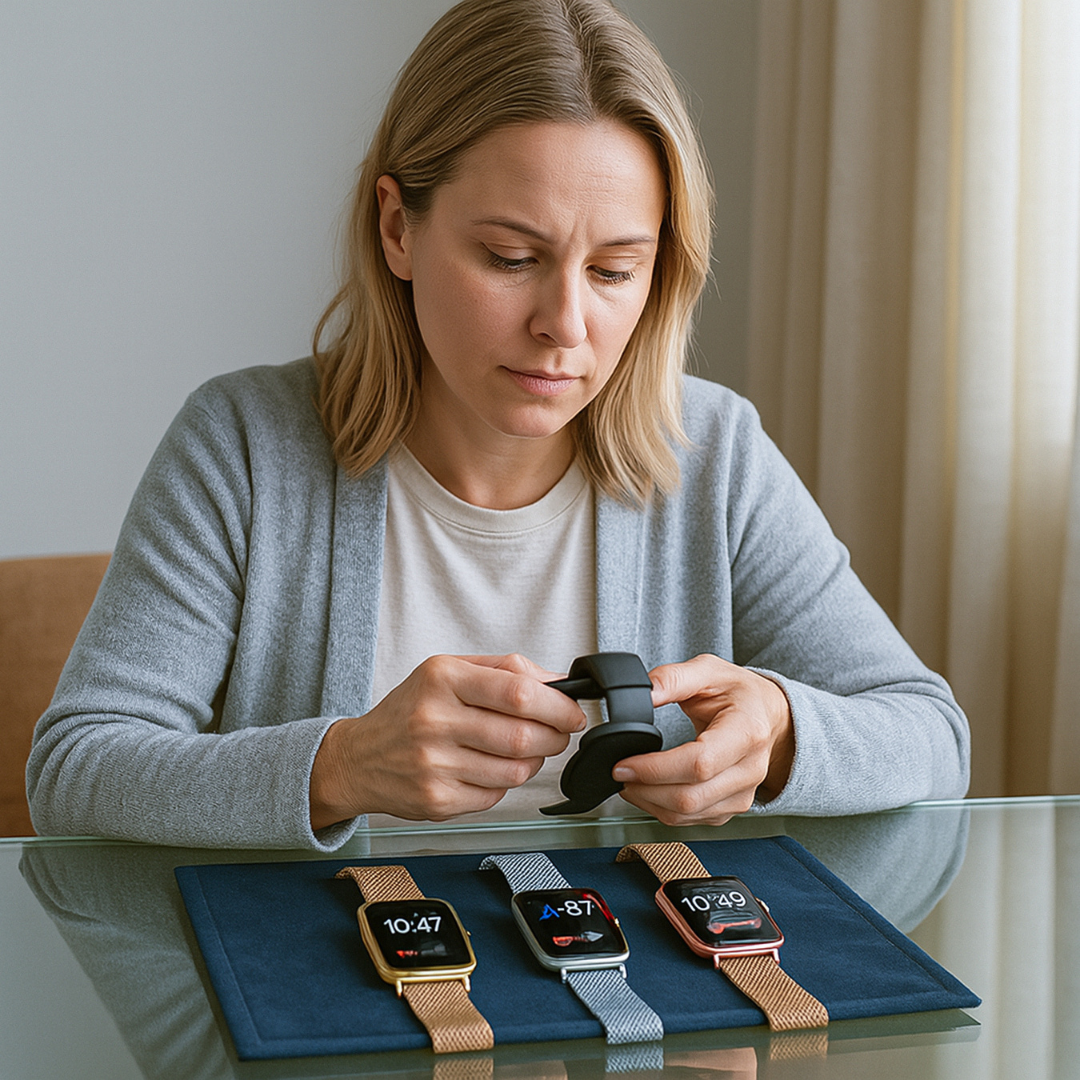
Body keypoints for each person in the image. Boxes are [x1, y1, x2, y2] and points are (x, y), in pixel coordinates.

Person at [27, 0, 970, 850]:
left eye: (613, 271)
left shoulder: (714, 452)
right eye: (512, 257)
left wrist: (784, 732)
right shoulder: (242, 446)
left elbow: (931, 736)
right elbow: (75, 770)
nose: (566, 324)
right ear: (397, 227)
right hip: (329, 999)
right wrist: (342, 766)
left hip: (634, 1008)